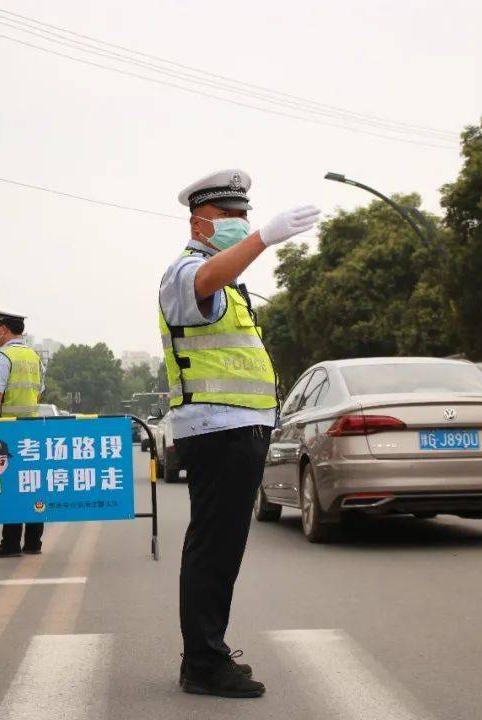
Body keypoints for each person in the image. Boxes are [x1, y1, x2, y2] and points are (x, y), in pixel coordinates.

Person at [159, 168, 319, 698]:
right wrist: (263, 239)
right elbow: (204, 283)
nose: (241, 224)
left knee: (221, 547)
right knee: (213, 547)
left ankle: (207, 654)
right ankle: (203, 662)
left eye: (246, 216)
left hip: (237, 428)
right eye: (230, 217)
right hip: (216, 429)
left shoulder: (226, 281)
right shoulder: (186, 272)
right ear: (199, 222)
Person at [0, 308, 45, 559]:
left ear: (4, 328)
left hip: (8, 430)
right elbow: (39, 391)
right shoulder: (33, 355)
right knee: (31, 485)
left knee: (12, 488)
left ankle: (10, 543)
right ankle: (33, 542)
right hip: (31, 430)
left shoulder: (4, 356)